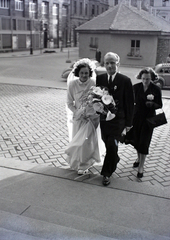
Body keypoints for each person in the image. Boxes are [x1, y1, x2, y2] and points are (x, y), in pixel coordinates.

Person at [96, 52, 134, 186]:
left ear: (118, 64)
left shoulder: (125, 80)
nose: (110, 65)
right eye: (107, 63)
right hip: (104, 120)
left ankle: (106, 173)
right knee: (107, 143)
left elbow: (130, 103)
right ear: (104, 64)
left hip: (118, 121)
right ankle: (115, 158)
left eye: (112, 62)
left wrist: (129, 123)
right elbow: (97, 97)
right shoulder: (99, 78)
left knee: (112, 145)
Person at [65, 58, 101, 175]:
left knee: (87, 142)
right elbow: (70, 103)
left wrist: (92, 113)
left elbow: (98, 101)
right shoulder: (72, 84)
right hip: (78, 118)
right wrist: (78, 113)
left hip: (91, 118)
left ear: (90, 73)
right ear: (77, 73)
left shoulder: (94, 83)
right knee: (77, 141)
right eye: (82, 73)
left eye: (86, 73)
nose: (84, 75)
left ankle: (85, 165)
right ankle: (77, 162)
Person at [125, 68, 163, 178]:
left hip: (149, 120)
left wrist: (152, 104)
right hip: (136, 118)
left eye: (148, 79)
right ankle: (138, 158)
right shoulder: (136, 87)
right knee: (137, 141)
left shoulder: (156, 89)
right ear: (140, 77)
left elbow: (159, 104)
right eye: (143, 79)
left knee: (144, 143)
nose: (145, 81)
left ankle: (141, 166)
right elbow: (130, 102)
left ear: (152, 78)